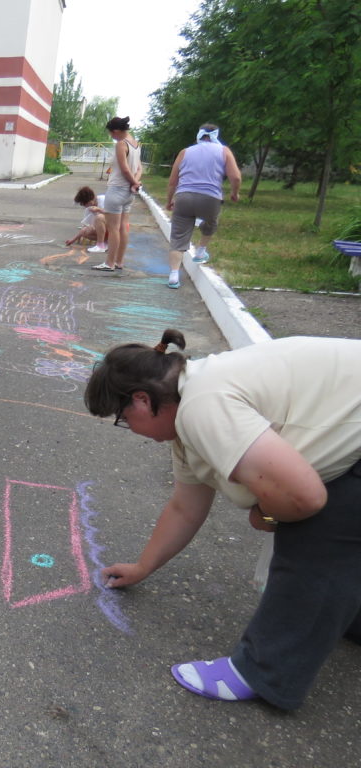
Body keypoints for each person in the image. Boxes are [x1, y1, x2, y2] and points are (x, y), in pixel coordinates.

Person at [84, 329, 361, 710]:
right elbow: (186, 507)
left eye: (123, 419)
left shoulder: (203, 405)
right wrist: (142, 567)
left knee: (318, 539)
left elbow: (305, 497)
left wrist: (267, 513)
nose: (129, 429)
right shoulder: (187, 416)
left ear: (142, 400)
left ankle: (263, 672)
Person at [165, 123, 241, 289]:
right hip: (211, 198)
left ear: (199, 135)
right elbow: (235, 177)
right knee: (211, 222)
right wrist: (235, 193)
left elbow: (172, 181)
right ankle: (201, 251)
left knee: (178, 237)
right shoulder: (224, 151)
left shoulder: (185, 152)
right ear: (216, 135)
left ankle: (173, 276)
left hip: (183, 197)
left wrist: (169, 200)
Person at [93, 117, 142, 273]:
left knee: (113, 228)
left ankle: (109, 263)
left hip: (117, 189)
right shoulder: (136, 144)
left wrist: (132, 182)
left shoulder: (122, 144)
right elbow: (139, 169)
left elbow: (125, 169)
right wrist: (135, 183)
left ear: (115, 131)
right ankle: (119, 261)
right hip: (129, 192)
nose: (112, 137)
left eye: (111, 134)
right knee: (123, 227)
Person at [65, 186, 107, 252]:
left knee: (99, 217)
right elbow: (85, 227)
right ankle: (106, 242)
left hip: (115, 226)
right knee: (85, 232)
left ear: (90, 200)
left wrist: (99, 210)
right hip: (106, 230)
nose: (85, 206)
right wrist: (73, 240)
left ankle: (101, 245)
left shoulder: (104, 200)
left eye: (85, 204)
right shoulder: (89, 209)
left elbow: (115, 215)